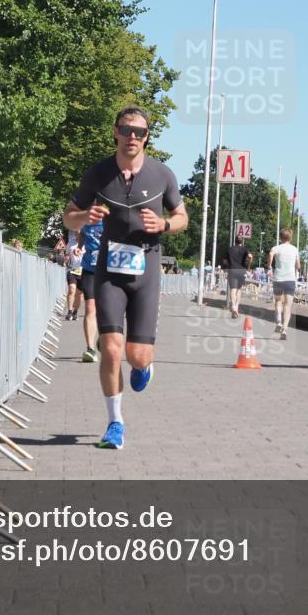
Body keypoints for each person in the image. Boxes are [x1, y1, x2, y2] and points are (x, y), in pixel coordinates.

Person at [63, 107, 188, 450]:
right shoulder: (98, 174)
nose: (133, 136)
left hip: (146, 271)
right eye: (126, 129)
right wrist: (83, 216)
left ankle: (144, 366)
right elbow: (68, 216)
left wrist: (163, 225)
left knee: (137, 356)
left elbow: (181, 217)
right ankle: (115, 423)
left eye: (140, 131)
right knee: (111, 351)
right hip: (108, 271)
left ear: (147, 136)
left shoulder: (162, 175)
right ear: (115, 132)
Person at [267, 228, 301, 340]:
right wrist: (296, 267)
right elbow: (298, 266)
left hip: (278, 279)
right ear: (290, 238)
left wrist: (269, 267)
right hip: (290, 279)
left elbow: (271, 254)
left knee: (278, 301)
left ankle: (278, 322)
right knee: (288, 305)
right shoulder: (295, 249)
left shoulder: (276, 248)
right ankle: (285, 328)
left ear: (280, 238)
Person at [77, 220, 104, 361]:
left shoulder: (109, 219)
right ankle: (90, 349)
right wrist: (79, 246)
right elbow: (81, 235)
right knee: (90, 307)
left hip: (108, 271)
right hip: (89, 270)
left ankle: (105, 336)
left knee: (106, 309)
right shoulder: (85, 221)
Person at [222, 237, 253, 319]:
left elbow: (224, 261)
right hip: (241, 271)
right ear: (242, 241)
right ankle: (237, 307)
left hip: (232, 270)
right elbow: (250, 256)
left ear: (235, 241)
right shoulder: (244, 249)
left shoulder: (230, 249)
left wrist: (228, 265)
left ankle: (233, 307)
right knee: (239, 290)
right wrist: (248, 266)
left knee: (233, 289)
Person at [64, 232, 84, 321]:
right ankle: (69, 311)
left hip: (83, 272)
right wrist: (66, 259)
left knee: (79, 294)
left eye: (79, 233)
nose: (77, 235)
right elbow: (67, 254)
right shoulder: (71, 242)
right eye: (76, 233)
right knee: (71, 289)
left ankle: (75, 311)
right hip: (72, 270)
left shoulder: (87, 243)